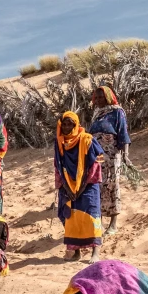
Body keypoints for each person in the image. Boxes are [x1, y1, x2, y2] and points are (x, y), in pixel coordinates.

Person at [54, 111, 103, 261]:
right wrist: (65, 187)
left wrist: (81, 187)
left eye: (71, 124)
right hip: (67, 185)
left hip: (88, 184)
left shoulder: (87, 140)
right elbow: (57, 165)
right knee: (69, 216)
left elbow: (97, 163)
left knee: (91, 216)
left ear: (77, 125)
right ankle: (76, 251)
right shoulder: (59, 142)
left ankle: (95, 252)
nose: (68, 127)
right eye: (65, 124)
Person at [88, 85, 132, 234]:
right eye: (97, 97)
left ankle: (113, 224)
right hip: (96, 157)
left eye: (101, 97)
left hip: (112, 155)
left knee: (112, 185)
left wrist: (125, 154)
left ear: (108, 96)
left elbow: (123, 134)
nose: (99, 100)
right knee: (97, 186)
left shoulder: (117, 112)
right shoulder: (97, 114)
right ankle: (98, 223)